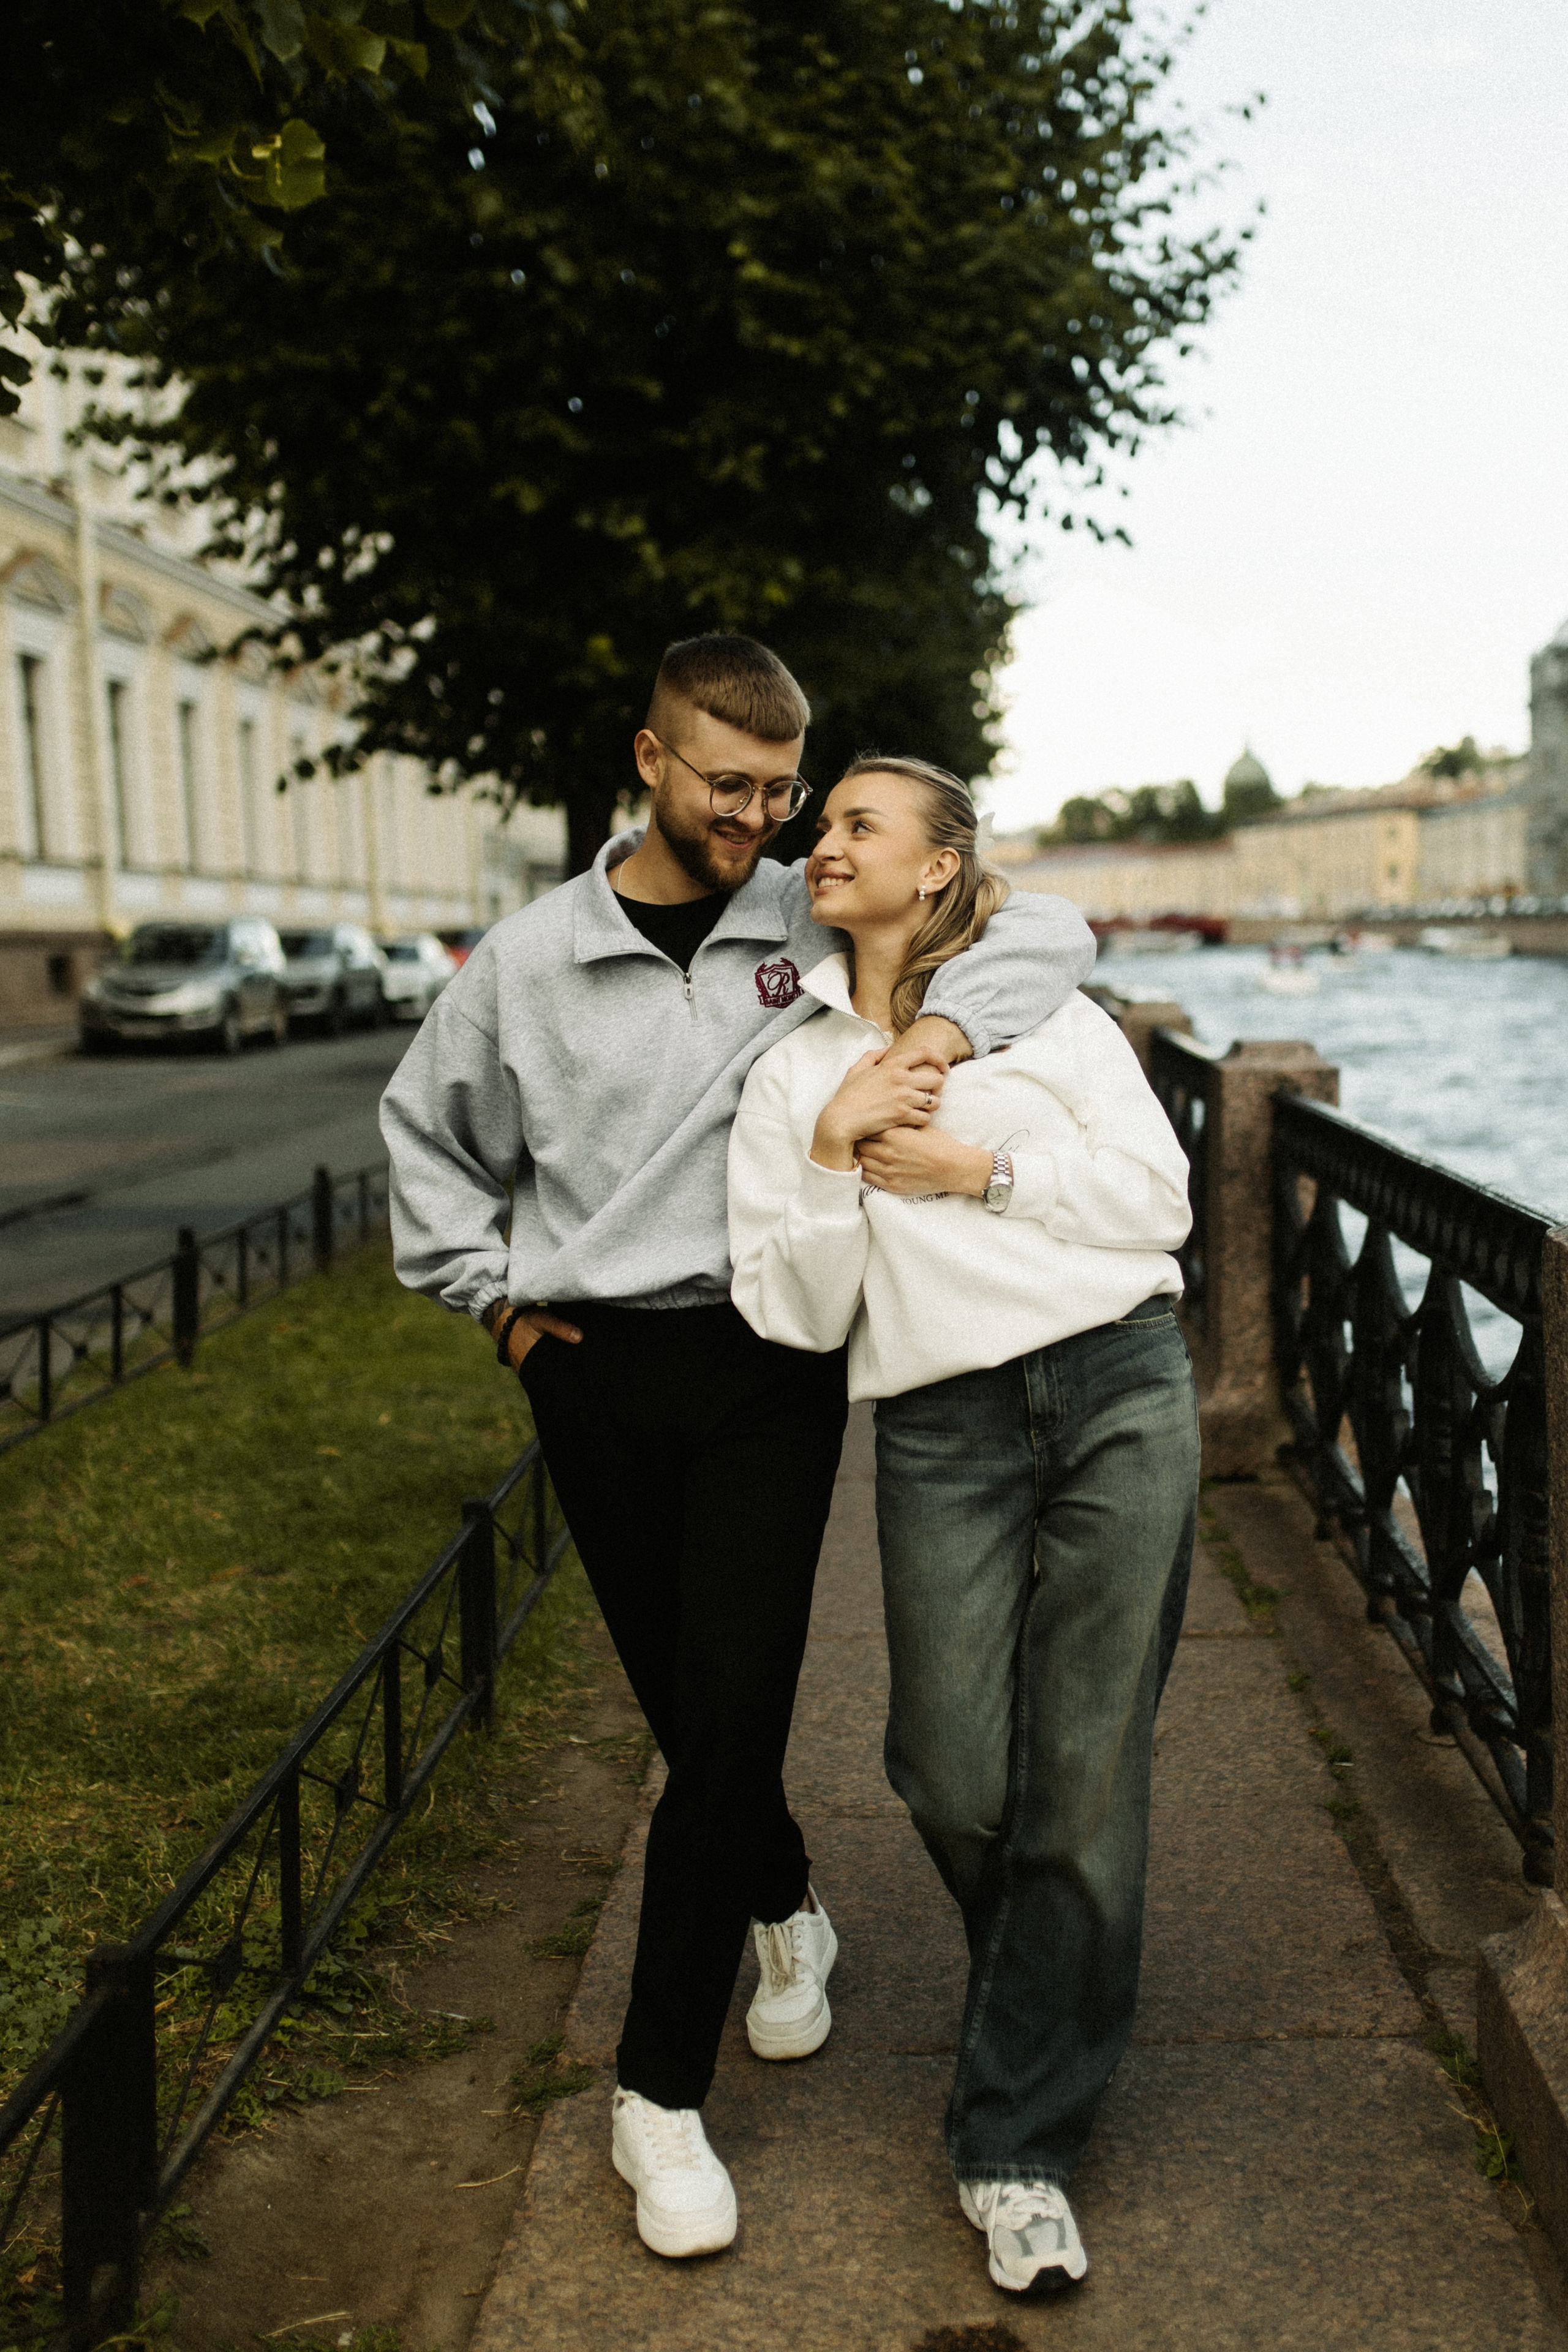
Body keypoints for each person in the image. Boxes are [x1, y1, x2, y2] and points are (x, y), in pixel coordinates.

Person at [380, 638, 1097, 2261]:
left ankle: (655, 2095)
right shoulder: (527, 961)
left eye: (783, 791)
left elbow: (1047, 926)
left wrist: (938, 1038)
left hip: (771, 1353)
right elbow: (426, 1134)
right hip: (590, 1367)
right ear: (650, 760)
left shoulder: (802, 911)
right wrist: (494, 1305)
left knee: (731, 1708)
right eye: (728, 787)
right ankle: (781, 1900)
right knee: (687, 1703)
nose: (760, 819)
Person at [727, 754, 1198, 2298]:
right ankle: (1062, 1972)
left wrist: (973, 1171)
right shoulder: (794, 1070)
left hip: (1119, 1385)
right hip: (939, 1426)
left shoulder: (1044, 1017)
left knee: (1083, 1773)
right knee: (944, 1766)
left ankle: (1015, 2148)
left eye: (856, 824)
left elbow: (1157, 1199)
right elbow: (792, 1311)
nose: (822, 843)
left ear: (936, 868)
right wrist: (831, 1147)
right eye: (821, 826)